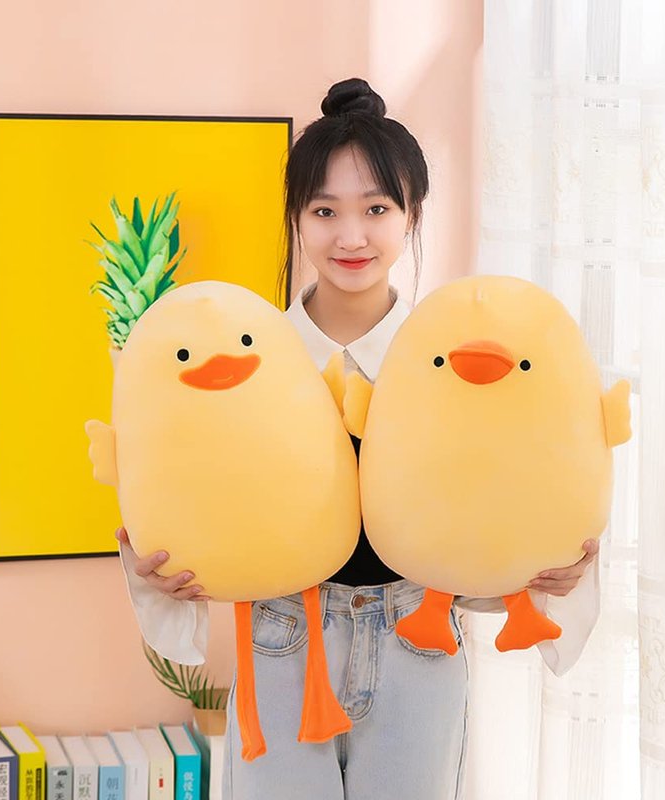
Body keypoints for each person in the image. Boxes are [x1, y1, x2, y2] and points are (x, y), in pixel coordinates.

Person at [116, 78, 600, 799]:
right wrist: (157, 569)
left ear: (411, 215)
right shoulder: (247, 360)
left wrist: (542, 571)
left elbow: (496, 498)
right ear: (296, 219)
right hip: (281, 636)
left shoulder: (455, 361)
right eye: (324, 211)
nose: (351, 237)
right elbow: (190, 487)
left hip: (417, 635)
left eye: (377, 209)